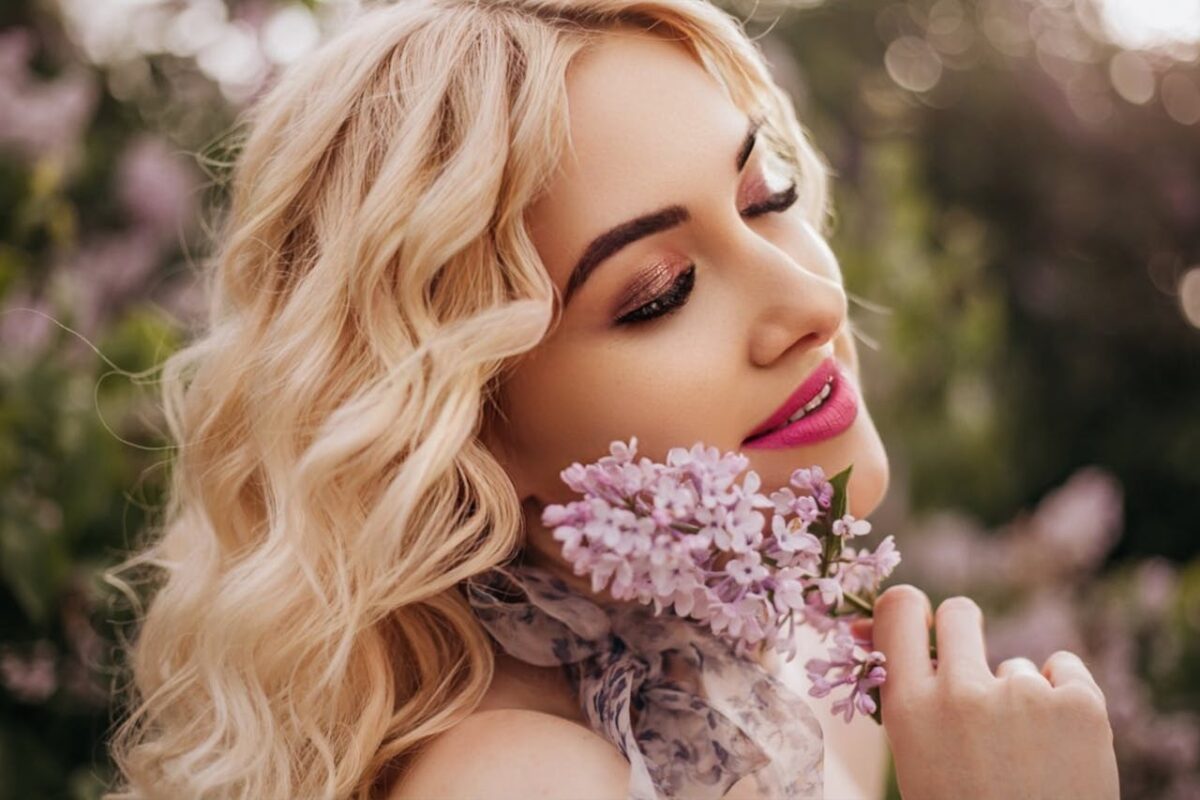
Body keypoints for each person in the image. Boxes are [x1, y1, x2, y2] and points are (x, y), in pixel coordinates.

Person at [105, 0, 1120, 798]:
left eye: (768, 200)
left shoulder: (815, 682)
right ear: (462, 421)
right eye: (658, 292)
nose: (814, 301)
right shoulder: (518, 781)